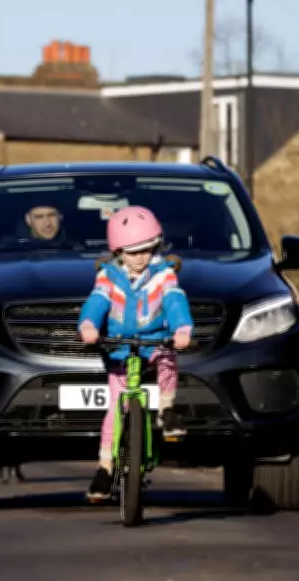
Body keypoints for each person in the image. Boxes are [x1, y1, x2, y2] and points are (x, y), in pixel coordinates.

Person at [77, 205, 194, 500]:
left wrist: (182, 329)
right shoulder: (108, 276)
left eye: (146, 249)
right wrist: (89, 324)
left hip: (155, 340)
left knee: (167, 361)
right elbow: (97, 301)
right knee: (116, 407)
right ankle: (104, 466)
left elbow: (175, 301)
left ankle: (167, 410)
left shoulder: (163, 274)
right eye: (132, 252)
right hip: (119, 345)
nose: (140, 257)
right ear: (118, 252)